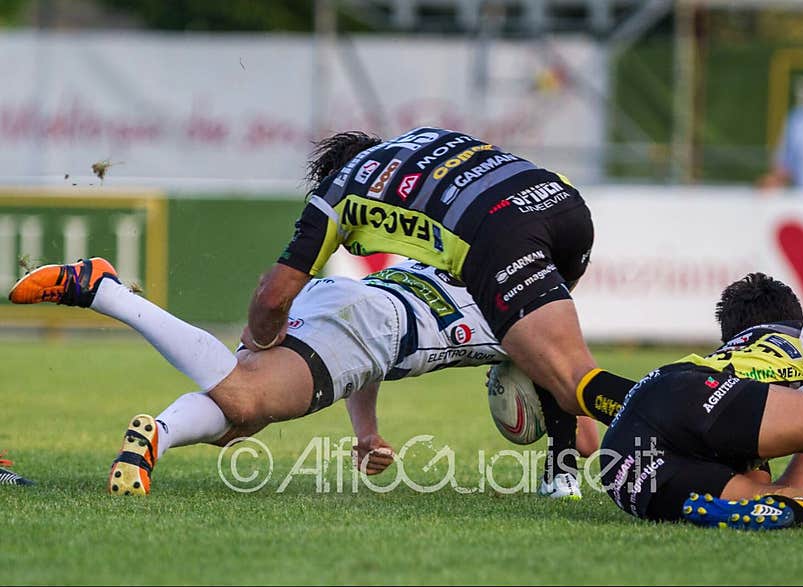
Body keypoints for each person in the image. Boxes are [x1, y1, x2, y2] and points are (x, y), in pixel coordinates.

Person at [243, 127, 636, 496]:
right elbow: (363, 334)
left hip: (502, 233)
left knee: (570, 384)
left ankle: (678, 411)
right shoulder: (422, 146)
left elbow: (280, 298)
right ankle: (564, 474)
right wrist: (367, 432)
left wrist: (261, 336)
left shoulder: (344, 192)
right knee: (569, 383)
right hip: (561, 201)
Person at [9, 256, 599, 497]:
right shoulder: (521, 323)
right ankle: (103, 289)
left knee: (241, 420)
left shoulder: (463, 266)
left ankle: (153, 439)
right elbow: (581, 420)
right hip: (369, 325)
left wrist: (366, 433)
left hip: (349, 301)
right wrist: (562, 473)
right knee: (244, 395)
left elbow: (371, 362)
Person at [599, 272, 803, 530]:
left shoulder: (732, 387)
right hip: (700, 395)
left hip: (624, 460)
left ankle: (698, 508)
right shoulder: (795, 333)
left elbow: (776, 488)